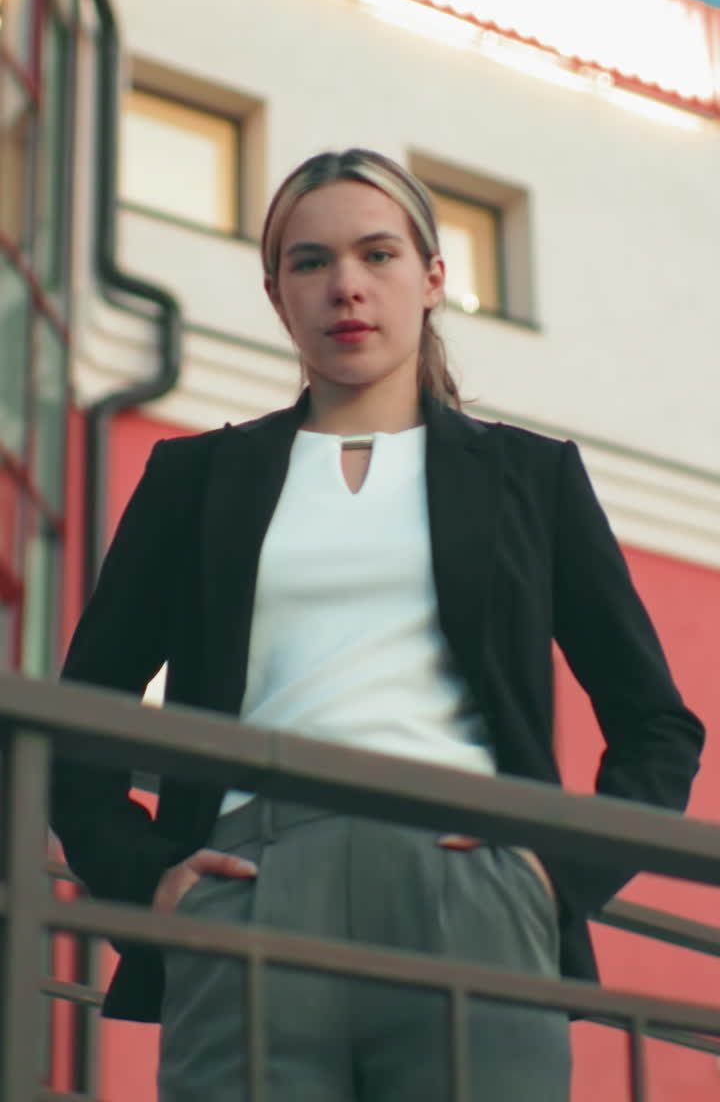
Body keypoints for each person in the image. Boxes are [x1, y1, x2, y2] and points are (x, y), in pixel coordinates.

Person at [50, 148, 705, 1101]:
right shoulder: (195, 482)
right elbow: (81, 722)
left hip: (474, 897)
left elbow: (657, 725)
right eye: (310, 262)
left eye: (378, 254)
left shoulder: (531, 480)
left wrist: (554, 874)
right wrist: (146, 882)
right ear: (277, 296)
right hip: (247, 889)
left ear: (432, 277)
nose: (346, 286)